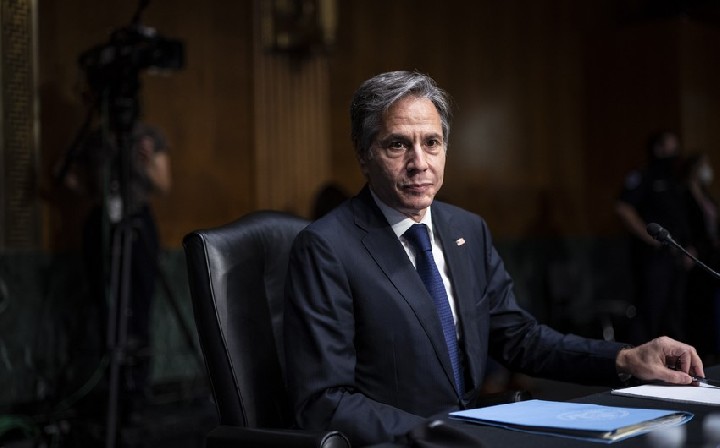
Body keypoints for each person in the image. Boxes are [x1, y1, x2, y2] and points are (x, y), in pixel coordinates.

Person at [283, 71, 704, 446]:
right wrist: (436, 435)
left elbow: (519, 338)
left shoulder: (468, 230)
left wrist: (625, 358)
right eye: (397, 145)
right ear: (363, 154)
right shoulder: (327, 247)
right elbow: (326, 401)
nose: (419, 163)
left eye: (432, 143)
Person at [59, 112, 171, 415]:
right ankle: (113, 387)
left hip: (138, 221)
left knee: (140, 303)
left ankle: (138, 386)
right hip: (103, 222)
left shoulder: (148, 135)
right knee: (106, 305)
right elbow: (75, 181)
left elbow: (164, 185)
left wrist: (146, 163)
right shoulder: (93, 139)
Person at [616, 131, 692, 344]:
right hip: (653, 257)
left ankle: (674, 359)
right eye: (670, 146)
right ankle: (638, 358)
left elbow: (680, 218)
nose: (675, 152)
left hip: (676, 256)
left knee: (674, 314)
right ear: (657, 149)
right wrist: (649, 237)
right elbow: (623, 207)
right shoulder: (644, 176)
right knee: (650, 310)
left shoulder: (675, 180)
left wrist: (687, 247)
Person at [683, 153, 720, 360]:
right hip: (694, 256)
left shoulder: (706, 195)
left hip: (712, 256)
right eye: (705, 165)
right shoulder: (684, 194)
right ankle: (696, 350)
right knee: (695, 304)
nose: (709, 170)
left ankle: (709, 350)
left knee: (709, 305)